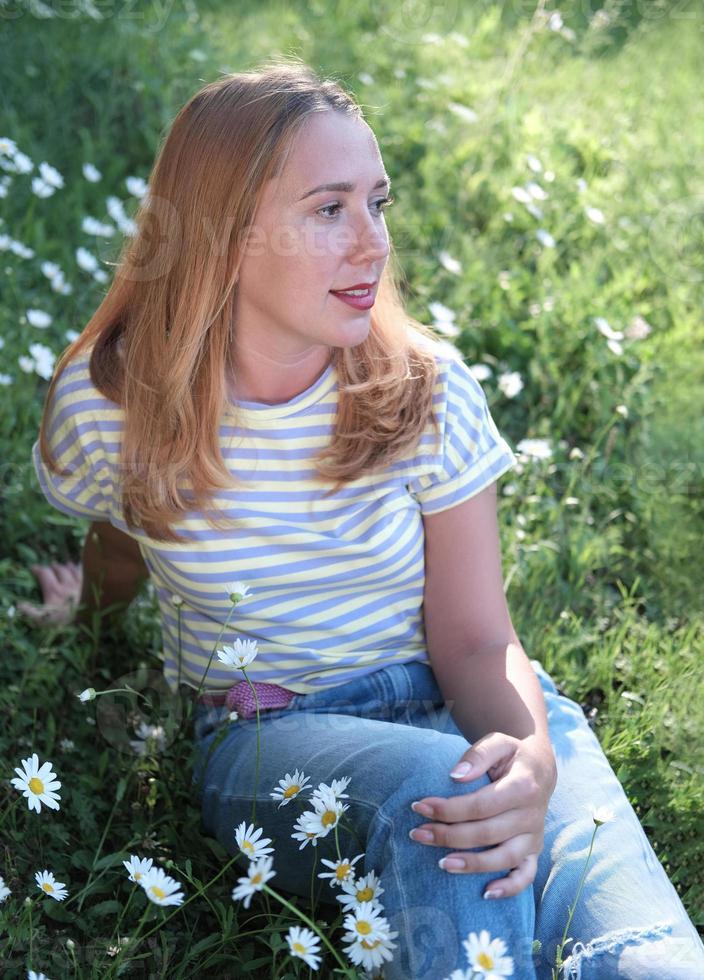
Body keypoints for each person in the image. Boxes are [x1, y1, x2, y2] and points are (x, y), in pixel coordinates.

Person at [23, 59, 704, 979]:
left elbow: (473, 637)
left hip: (464, 710)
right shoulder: (112, 404)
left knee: (649, 963)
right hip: (274, 742)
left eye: (377, 204)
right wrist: (91, 618)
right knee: (436, 797)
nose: (373, 243)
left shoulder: (422, 391)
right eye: (329, 208)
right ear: (226, 236)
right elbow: (119, 532)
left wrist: (531, 760)